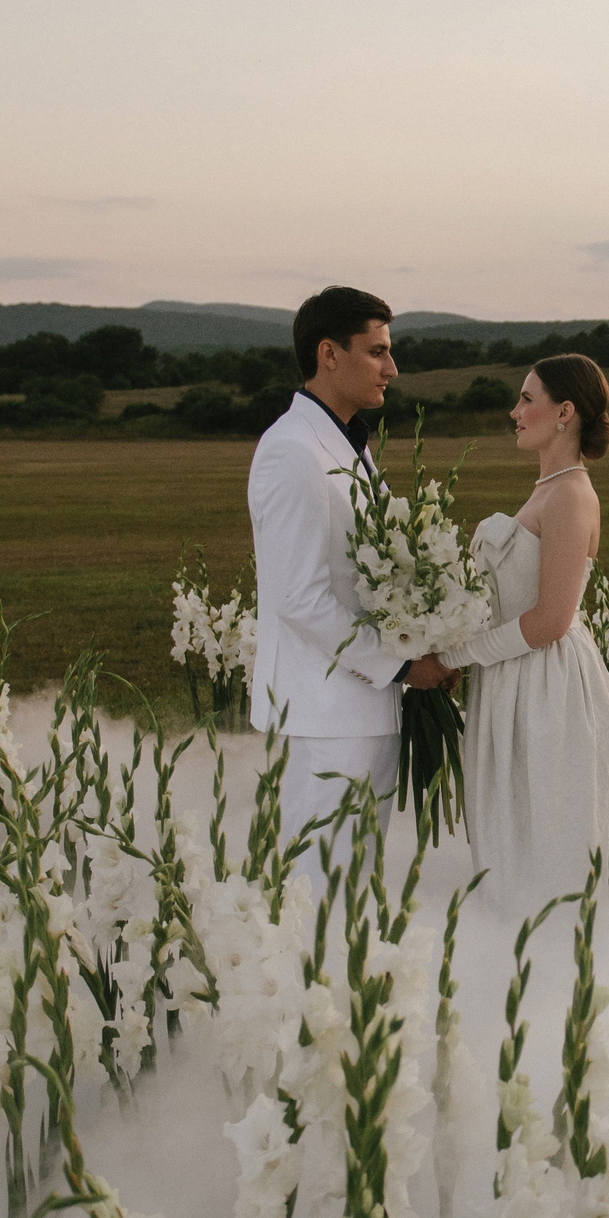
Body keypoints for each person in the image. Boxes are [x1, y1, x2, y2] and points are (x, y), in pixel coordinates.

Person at [248, 286, 456, 894]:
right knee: (320, 888)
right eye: (378, 352)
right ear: (328, 354)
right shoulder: (291, 451)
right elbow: (300, 597)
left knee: (359, 881)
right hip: (323, 715)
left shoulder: (349, 444)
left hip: (362, 708)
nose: (392, 369)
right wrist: (399, 665)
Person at [436, 354, 609, 916]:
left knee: (545, 835)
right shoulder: (546, 489)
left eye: (526, 399)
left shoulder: (570, 495)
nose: (514, 411)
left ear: (564, 412)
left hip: (548, 689)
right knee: (506, 828)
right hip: (510, 680)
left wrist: (456, 654)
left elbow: (550, 621)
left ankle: (555, 966)